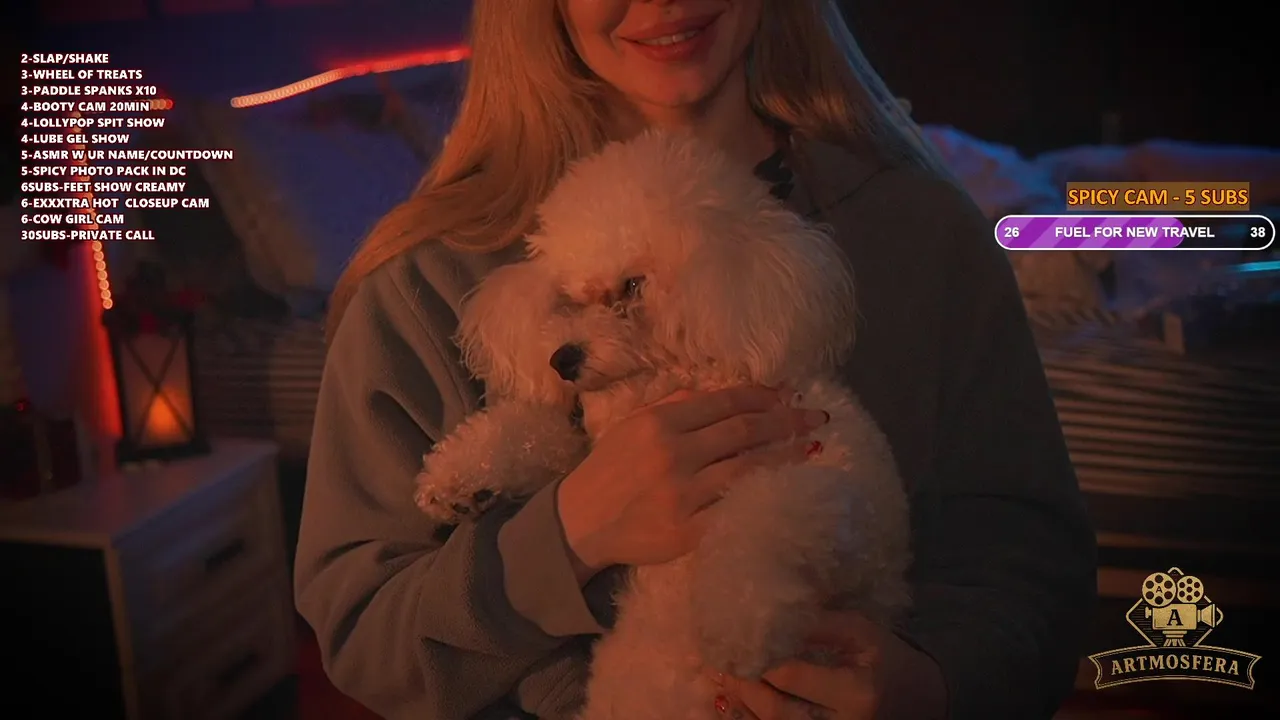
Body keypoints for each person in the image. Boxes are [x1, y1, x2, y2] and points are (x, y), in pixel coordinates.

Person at [295, 0, 1098, 718]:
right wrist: (569, 535)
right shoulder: (424, 286)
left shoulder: (927, 232)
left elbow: (1031, 560)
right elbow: (367, 638)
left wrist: (937, 685)